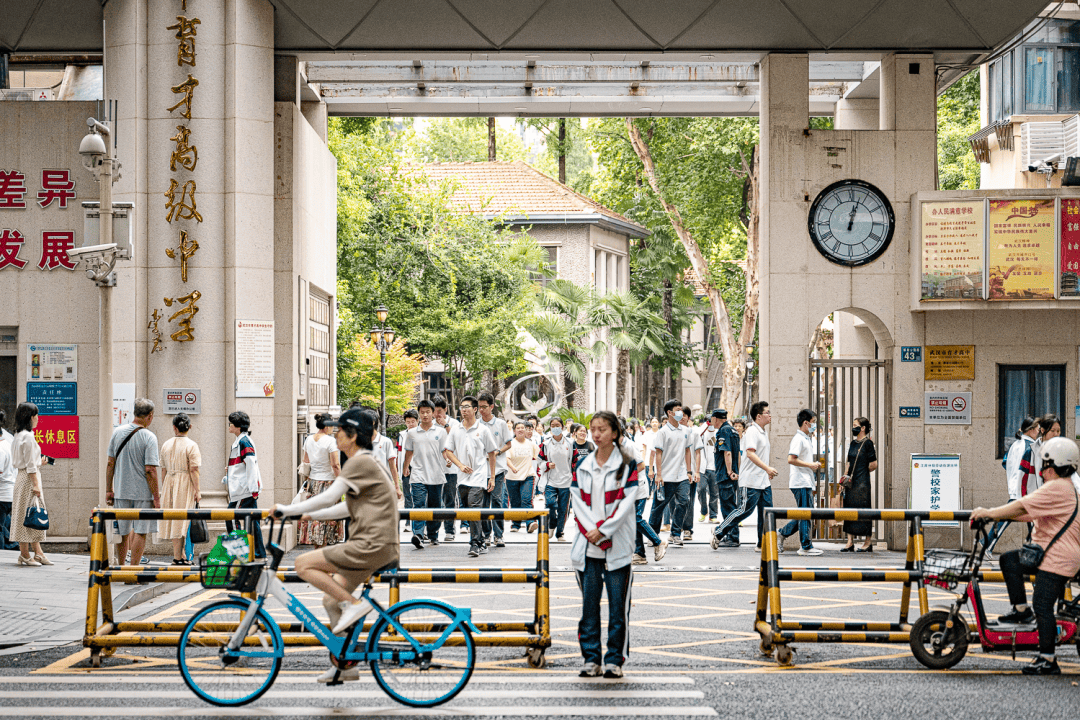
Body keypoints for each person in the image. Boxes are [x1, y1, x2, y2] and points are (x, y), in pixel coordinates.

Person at [272, 407, 400, 683]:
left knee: (302, 563)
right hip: (375, 543)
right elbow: (344, 508)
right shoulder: (367, 460)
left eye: (339, 430)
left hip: (371, 543)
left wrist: (288, 509)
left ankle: (353, 604)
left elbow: (329, 497)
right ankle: (346, 664)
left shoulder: (359, 462)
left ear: (352, 436)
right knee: (331, 599)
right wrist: (309, 514)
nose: (335, 433)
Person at [971, 436, 1080, 676]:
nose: (1041, 470)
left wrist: (988, 513)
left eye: (1044, 464)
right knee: (1009, 560)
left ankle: (1048, 659)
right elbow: (1028, 512)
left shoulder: (1057, 487)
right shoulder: (1064, 487)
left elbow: (1021, 506)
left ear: (1053, 464)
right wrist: (998, 516)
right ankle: (1021, 611)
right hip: (1050, 554)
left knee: (1042, 605)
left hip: (1057, 558)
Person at [570, 411, 639, 679]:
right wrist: (593, 531)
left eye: (602, 429)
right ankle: (590, 659)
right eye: (593, 429)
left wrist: (604, 530)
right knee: (589, 607)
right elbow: (578, 503)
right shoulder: (583, 465)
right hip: (588, 546)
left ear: (615, 433)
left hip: (618, 546)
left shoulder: (626, 464)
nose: (596, 434)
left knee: (617, 607)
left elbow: (625, 503)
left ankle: (614, 660)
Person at [712, 401, 777, 551]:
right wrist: (767, 468)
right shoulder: (753, 431)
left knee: (767, 512)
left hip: (763, 481)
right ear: (759, 416)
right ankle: (719, 531)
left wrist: (766, 471)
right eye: (767, 412)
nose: (770, 415)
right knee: (744, 510)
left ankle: (763, 543)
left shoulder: (762, 432)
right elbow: (750, 453)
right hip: (751, 481)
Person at [106, 398, 160, 566]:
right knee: (141, 531)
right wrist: (156, 497)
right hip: (143, 493)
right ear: (150, 416)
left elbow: (110, 463)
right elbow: (150, 470)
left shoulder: (117, 432)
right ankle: (133, 570)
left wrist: (109, 489)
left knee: (122, 531)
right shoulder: (149, 437)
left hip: (121, 490)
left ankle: (122, 567)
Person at [443, 396, 498, 558]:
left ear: (475, 409)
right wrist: (459, 465)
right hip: (461, 478)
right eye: (461, 407)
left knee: (474, 507)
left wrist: (492, 477)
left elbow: (492, 453)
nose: (463, 410)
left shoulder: (483, 430)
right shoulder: (456, 429)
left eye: (467, 407)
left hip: (479, 477)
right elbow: (448, 451)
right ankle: (481, 540)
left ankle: (474, 543)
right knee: (468, 511)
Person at [402, 399, 447, 548]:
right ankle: (419, 535)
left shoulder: (440, 432)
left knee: (435, 507)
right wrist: (405, 468)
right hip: (418, 474)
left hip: (436, 474)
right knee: (419, 505)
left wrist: (448, 460)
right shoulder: (412, 433)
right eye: (422, 412)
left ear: (433, 413)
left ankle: (433, 535)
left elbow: (444, 450)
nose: (425, 415)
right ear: (419, 414)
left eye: (428, 412)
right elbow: (409, 451)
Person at [777, 409, 823, 556]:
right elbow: (791, 459)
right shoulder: (798, 439)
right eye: (814, 422)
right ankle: (805, 546)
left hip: (805, 481)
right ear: (806, 423)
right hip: (801, 482)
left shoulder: (806, 438)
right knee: (805, 514)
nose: (815, 425)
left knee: (805, 514)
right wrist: (811, 465)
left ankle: (782, 533)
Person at [158, 413, 202, 565]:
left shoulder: (166, 445)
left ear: (174, 428)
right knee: (183, 518)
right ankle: (179, 556)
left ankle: (180, 554)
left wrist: (164, 488)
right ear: (190, 427)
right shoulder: (192, 445)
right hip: (185, 483)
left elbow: (163, 469)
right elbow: (194, 469)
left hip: (169, 481)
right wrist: (197, 490)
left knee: (174, 518)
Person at [649, 399, 694, 548]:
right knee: (658, 507)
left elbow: (687, 451)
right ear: (670, 413)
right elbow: (658, 454)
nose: (681, 413)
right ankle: (652, 534)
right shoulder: (662, 432)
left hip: (681, 476)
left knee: (683, 501)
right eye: (678, 410)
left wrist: (689, 471)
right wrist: (659, 474)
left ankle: (675, 534)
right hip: (665, 477)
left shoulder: (686, 431)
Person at [11, 403, 49, 566]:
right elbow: (30, 466)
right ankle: (25, 555)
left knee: (28, 514)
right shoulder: (28, 436)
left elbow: (28, 462)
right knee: (30, 515)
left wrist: (38, 463)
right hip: (28, 479)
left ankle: (37, 553)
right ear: (30, 417)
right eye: (36, 416)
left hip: (22, 477)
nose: (38, 419)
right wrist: (36, 485)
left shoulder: (18, 435)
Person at [223, 410, 265, 559]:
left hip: (243, 490)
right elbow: (245, 464)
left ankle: (239, 551)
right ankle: (258, 553)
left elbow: (251, 465)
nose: (229, 426)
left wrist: (253, 488)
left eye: (231, 423)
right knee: (254, 522)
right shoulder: (242, 441)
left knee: (231, 517)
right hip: (245, 489)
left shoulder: (243, 442)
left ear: (237, 426)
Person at [298, 413, 343, 549]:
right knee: (327, 520)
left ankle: (317, 552)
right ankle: (322, 556)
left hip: (313, 483)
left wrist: (307, 482)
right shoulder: (330, 441)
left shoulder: (309, 440)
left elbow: (306, 462)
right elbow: (335, 465)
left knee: (316, 519)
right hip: (328, 483)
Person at [477, 394, 512, 548]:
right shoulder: (476, 425)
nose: (481, 410)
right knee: (483, 504)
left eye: (484, 407)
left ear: (491, 406)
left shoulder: (501, 424)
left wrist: (497, 452)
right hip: (480, 471)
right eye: (479, 407)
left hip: (497, 470)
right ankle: (486, 536)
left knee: (497, 502)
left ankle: (499, 535)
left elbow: (508, 444)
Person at [841, 417, 877, 553]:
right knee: (849, 510)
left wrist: (861, 471)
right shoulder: (852, 443)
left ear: (863, 428)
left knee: (864, 512)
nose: (853, 427)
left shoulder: (868, 443)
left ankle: (868, 542)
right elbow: (848, 462)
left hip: (862, 484)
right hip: (851, 483)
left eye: (855, 425)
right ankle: (850, 542)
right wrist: (844, 478)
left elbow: (874, 465)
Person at [540, 416, 574, 542]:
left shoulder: (570, 443)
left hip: (566, 481)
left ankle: (560, 532)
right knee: (550, 503)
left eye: (557, 425)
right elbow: (539, 461)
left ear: (563, 427)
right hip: (551, 481)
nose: (555, 428)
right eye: (553, 426)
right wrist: (547, 465)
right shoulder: (545, 444)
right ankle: (552, 523)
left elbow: (575, 461)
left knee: (563, 508)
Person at [432, 395, 461, 540]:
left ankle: (450, 530)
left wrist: (445, 425)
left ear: (445, 409)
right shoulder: (429, 424)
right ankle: (433, 532)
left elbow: (458, 440)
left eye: (439, 411)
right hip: (434, 469)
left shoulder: (454, 423)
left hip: (451, 469)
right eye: (434, 411)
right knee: (434, 500)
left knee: (450, 499)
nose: (437, 415)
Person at [713, 410, 740, 547]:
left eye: (712, 419)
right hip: (733, 476)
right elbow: (738, 455)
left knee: (728, 507)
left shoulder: (723, 431)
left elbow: (727, 452)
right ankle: (731, 535)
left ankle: (732, 537)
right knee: (732, 506)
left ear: (716, 419)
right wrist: (736, 472)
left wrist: (729, 472)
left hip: (725, 476)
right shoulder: (734, 431)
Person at [506, 422, 539, 533]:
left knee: (526, 500)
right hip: (512, 477)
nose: (520, 430)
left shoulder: (531, 444)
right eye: (518, 428)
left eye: (522, 428)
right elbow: (507, 458)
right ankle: (516, 524)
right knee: (515, 502)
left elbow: (537, 456)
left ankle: (530, 522)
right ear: (514, 431)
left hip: (528, 476)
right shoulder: (510, 444)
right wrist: (513, 467)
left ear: (526, 431)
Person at [397, 409, 418, 532]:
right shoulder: (402, 435)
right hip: (405, 467)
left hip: (418, 467)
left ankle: (419, 522)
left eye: (413, 421)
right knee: (407, 494)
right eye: (408, 422)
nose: (410, 424)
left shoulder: (421, 433)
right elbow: (400, 452)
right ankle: (408, 521)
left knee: (418, 495)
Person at [697, 415, 720, 524]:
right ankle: (703, 510)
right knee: (701, 489)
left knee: (714, 493)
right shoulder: (702, 433)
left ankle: (713, 515)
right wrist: (706, 424)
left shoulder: (719, 432)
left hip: (715, 468)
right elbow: (696, 434)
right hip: (703, 468)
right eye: (710, 421)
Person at [0, 410, 17, 551]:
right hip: (9, 489)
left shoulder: (2, 445)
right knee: (4, 523)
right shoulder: (8, 439)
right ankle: (12, 544)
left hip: (3, 491)